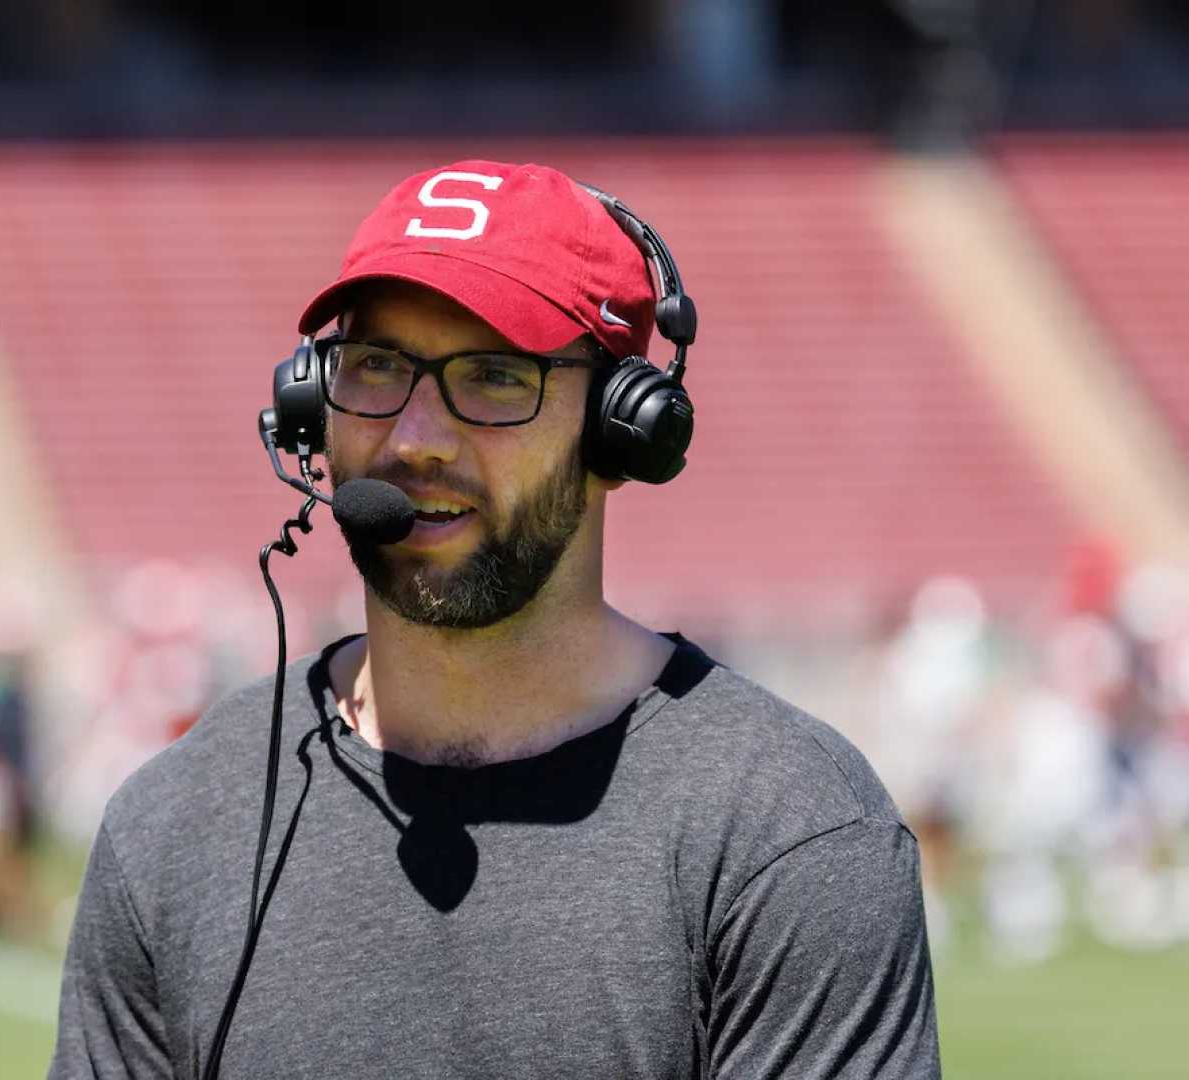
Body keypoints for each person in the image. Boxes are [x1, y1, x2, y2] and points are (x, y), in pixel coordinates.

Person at [50, 160, 940, 1078]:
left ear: (619, 429)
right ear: (310, 408)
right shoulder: (175, 823)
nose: (414, 439)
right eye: (378, 367)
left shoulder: (789, 835)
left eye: (494, 377)